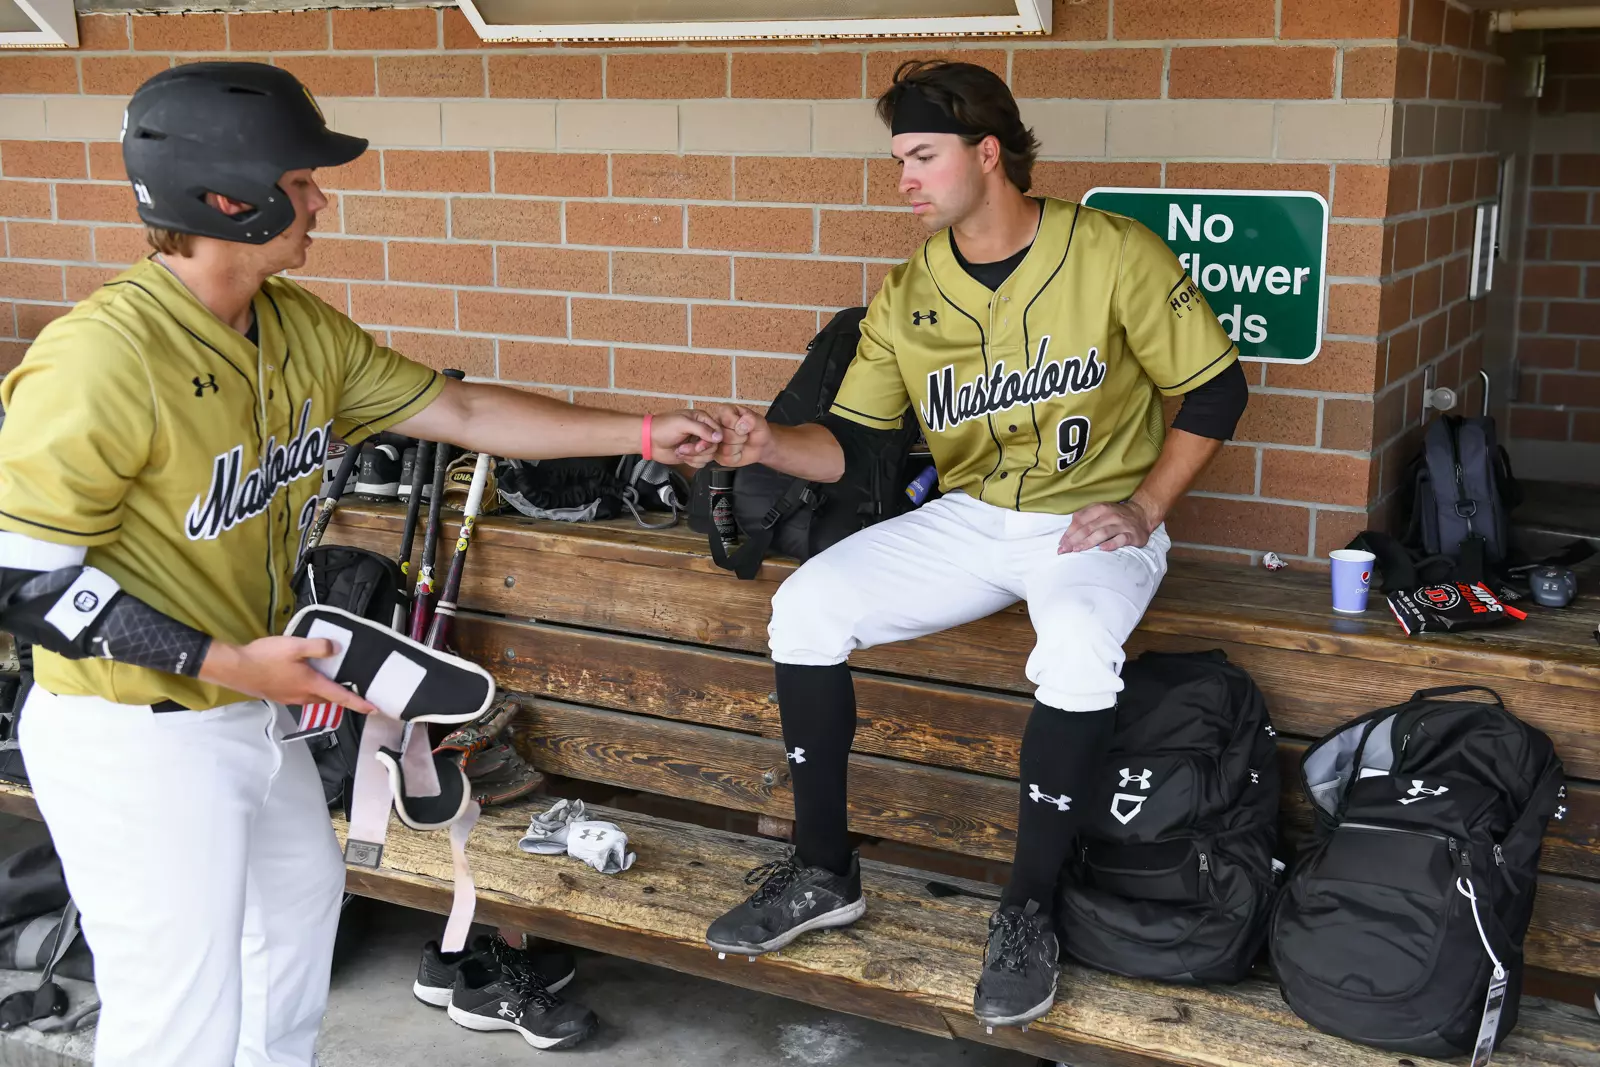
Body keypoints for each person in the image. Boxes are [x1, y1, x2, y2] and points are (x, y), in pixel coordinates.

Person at [0, 62, 720, 1067]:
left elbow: (460, 412)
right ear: (227, 197)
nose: (322, 198)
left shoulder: (293, 325)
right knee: (178, 1013)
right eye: (301, 181)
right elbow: (22, 585)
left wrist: (642, 429)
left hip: (254, 708)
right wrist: (232, 663)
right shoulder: (100, 358)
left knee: (290, 949)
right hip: (135, 732)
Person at [701, 60, 1249, 1030]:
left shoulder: (1111, 249)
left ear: (986, 153)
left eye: (920, 155)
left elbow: (1213, 389)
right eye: (899, 157)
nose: (902, 178)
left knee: (1078, 645)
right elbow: (855, 447)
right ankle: (825, 870)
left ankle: (1027, 908)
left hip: (1092, 519)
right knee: (805, 606)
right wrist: (765, 444)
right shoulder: (909, 289)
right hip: (972, 515)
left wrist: (1148, 506)